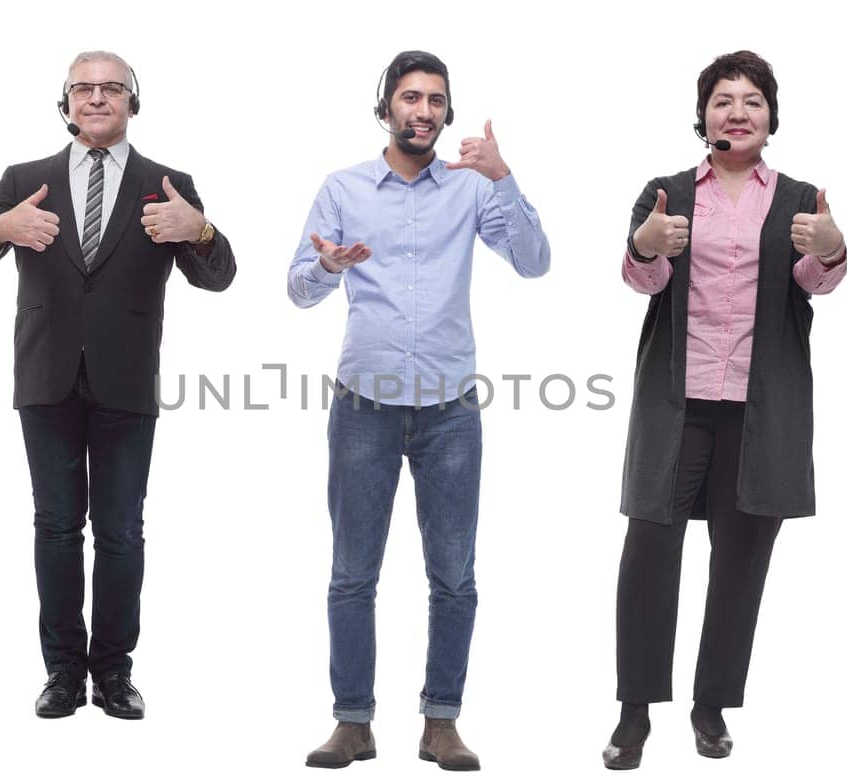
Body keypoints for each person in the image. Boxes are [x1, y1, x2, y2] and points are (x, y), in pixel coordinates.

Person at [0, 50, 234, 722]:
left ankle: (113, 671)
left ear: (133, 101)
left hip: (127, 381)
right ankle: (62, 673)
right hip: (45, 378)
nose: (97, 98)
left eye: (112, 88)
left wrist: (199, 229)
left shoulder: (169, 181)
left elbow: (219, 273)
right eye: (84, 88)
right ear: (66, 101)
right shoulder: (27, 178)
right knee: (54, 527)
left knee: (121, 531)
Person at [288, 50, 550, 771]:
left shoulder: (470, 188)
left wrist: (504, 176)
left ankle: (442, 722)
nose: (424, 110)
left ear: (446, 113)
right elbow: (298, 288)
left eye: (436, 99)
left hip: (449, 411)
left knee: (454, 574)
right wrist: (329, 266)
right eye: (410, 97)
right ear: (386, 109)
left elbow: (534, 262)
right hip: (363, 408)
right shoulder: (342, 188)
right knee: (351, 572)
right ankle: (352, 722)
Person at [606, 50, 847, 769]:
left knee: (740, 561)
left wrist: (832, 250)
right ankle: (634, 710)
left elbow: (815, 279)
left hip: (759, 409)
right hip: (677, 405)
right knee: (649, 550)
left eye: (752, 101)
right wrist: (645, 245)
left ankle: (710, 705)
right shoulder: (666, 191)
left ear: (770, 119)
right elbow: (641, 276)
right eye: (722, 99)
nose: (737, 111)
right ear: (703, 115)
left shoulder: (802, 197)